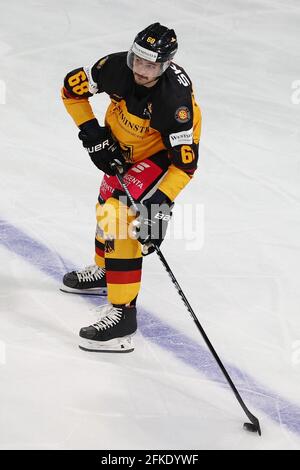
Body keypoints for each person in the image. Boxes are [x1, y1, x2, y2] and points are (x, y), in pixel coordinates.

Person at [61, 22, 202, 353]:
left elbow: (185, 164)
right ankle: (105, 270)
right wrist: (92, 133)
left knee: (119, 215)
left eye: (151, 65)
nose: (141, 69)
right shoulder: (113, 67)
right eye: (138, 59)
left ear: (166, 65)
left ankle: (124, 314)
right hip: (125, 141)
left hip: (161, 153)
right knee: (106, 201)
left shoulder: (174, 101)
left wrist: (160, 205)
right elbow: (70, 89)